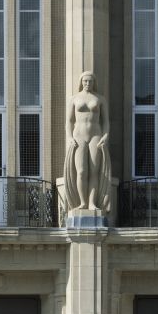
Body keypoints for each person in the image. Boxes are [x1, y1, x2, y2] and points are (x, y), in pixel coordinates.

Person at [63, 71, 112, 213]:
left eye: (90, 81)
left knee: (94, 171)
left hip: (95, 135)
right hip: (78, 136)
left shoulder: (100, 99)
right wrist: (69, 137)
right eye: (85, 81)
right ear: (81, 82)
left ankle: (91, 203)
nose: (87, 83)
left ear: (94, 82)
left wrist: (106, 136)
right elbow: (69, 121)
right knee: (81, 171)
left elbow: (106, 122)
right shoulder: (74, 99)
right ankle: (83, 202)